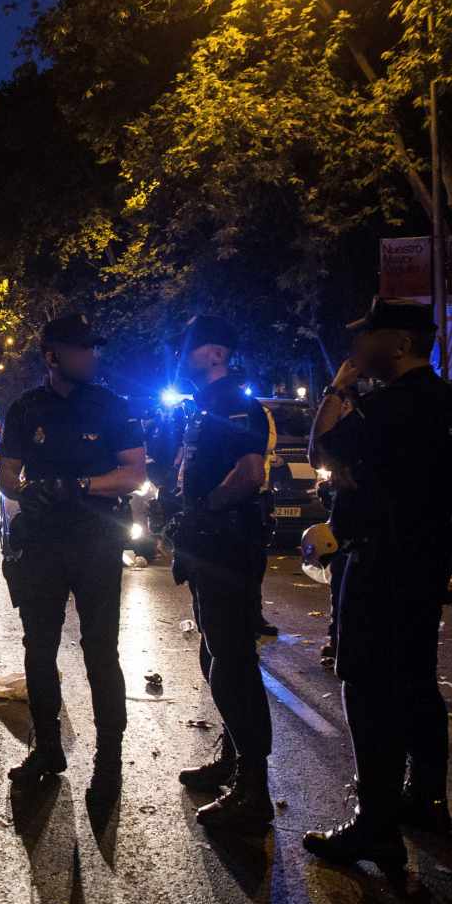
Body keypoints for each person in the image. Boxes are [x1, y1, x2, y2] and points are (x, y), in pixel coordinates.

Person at [303, 297, 452, 871]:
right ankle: (427, 799)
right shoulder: (450, 401)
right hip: (426, 560)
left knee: (367, 685)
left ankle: (375, 826)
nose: (357, 346)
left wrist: (339, 387)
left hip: (380, 561)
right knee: (417, 681)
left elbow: (320, 447)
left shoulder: (391, 405)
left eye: (368, 335)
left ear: (399, 344)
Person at [0, 314, 146, 800]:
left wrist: (78, 485)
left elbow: (133, 474)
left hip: (96, 540)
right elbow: (6, 474)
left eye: (93, 348)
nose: (91, 356)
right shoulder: (25, 408)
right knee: (38, 648)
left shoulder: (112, 406)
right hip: (42, 543)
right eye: (81, 349)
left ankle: (109, 760)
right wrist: (25, 491)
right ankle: (47, 748)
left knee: (100, 651)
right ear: (53, 356)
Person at [168, 315, 277, 830]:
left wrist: (205, 507)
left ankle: (253, 788)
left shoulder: (234, 400)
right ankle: (233, 759)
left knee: (232, 661)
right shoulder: (205, 406)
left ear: (214, 353)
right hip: (208, 547)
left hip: (227, 545)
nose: (180, 358)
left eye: (188, 349)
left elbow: (250, 474)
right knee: (215, 652)